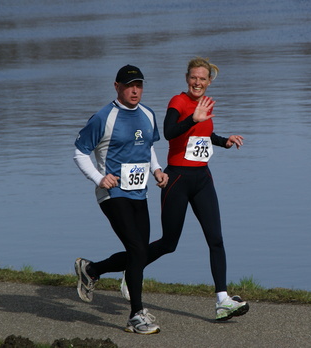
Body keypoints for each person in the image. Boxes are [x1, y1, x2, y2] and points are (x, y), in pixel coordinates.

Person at [145, 57, 249, 321]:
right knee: (169, 243)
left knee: (216, 238)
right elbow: (169, 132)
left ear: (209, 81)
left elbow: (203, 135)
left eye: (203, 79)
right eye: (194, 77)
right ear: (186, 78)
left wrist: (224, 141)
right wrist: (192, 117)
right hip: (177, 179)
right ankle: (130, 269)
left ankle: (222, 300)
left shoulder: (205, 104)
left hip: (202, 178)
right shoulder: (178, 102)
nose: (198, 82)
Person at [72, 64, 169, 335]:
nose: (135, 90)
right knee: (138, 250)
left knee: (140, 252)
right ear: (117, 87)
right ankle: (136, 315)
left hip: (140, 193)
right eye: (129, 85)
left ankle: (91, 269)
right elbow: (80, 152)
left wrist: (157, 170)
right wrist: (98, 178)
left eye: (138, 85)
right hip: (112, 193)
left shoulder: (148, 114)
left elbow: (147, 147)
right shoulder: (104, 117)